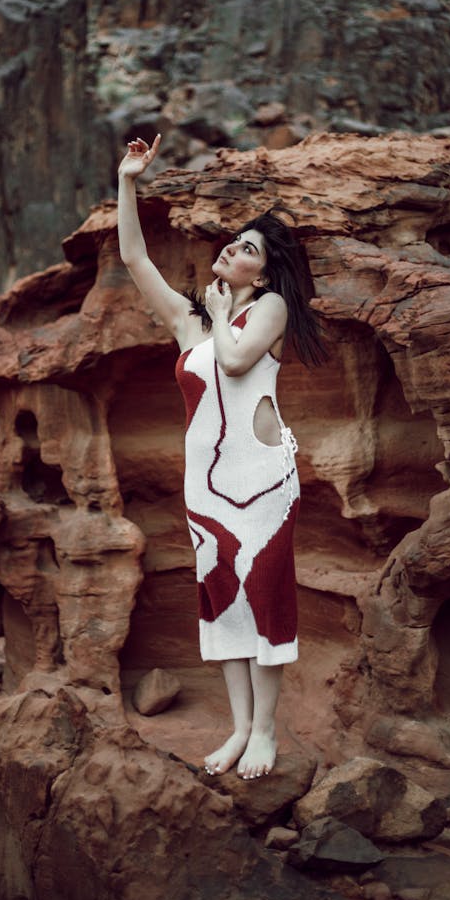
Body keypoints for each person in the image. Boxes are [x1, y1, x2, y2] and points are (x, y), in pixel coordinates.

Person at [118, 133, 326, 779]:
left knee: (266, 597)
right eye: (233, 241)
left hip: (264, 480)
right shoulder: (190, 324)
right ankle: (239, 728)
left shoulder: (270, 307)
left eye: (248, 249)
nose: (232, 249)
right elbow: (133, 257)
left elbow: (235, 361)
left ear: (260, 272)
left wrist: (218, 311)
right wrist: (129, 180)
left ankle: (265, 731)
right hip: (206, 490)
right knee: (225, 601)